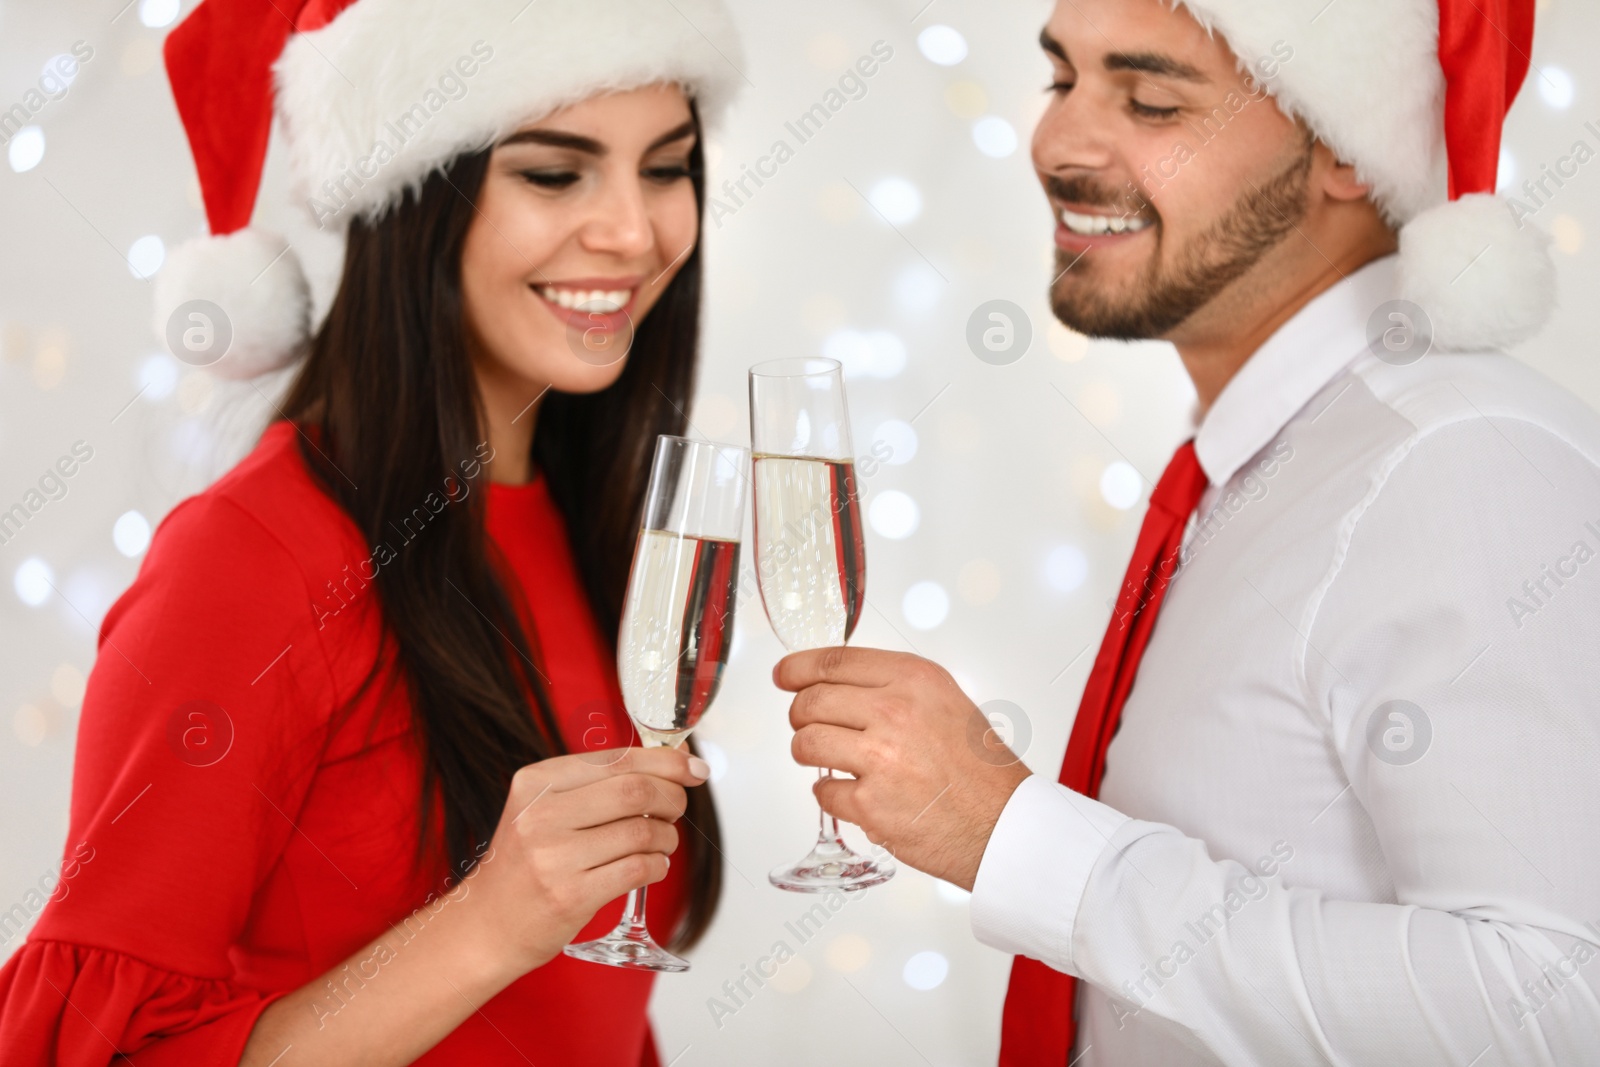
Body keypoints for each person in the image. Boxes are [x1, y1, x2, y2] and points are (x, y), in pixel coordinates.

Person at [777, 0, 1600, 1063]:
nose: (1058, 143)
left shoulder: (1456, 462)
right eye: (1061, 80)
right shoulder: (1260, 466)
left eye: (1152, 100)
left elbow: (1555, 1005)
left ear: (1343, 148)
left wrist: (1016, 838)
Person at [0, 1, 743, 1064]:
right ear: (417, 201)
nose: (633, 229)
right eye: (552, 171)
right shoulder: (251, 561)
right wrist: (485, 922)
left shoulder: (592, 528)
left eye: (666, 167)